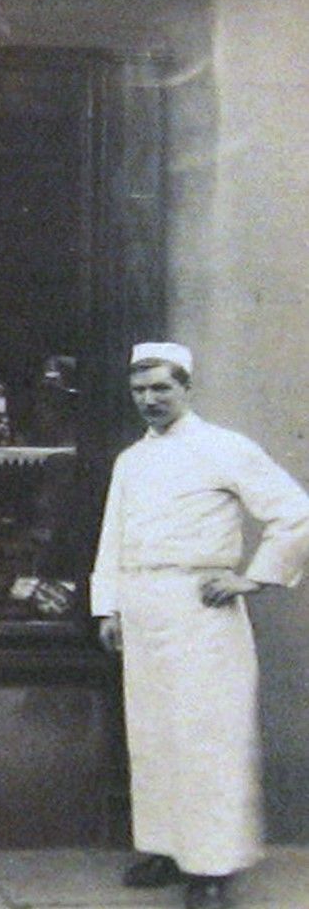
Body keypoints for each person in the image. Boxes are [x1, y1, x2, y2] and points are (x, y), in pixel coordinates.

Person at [91, 341, 309, 909]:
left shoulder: (225, 448)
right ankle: (166, 847)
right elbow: (113, 537)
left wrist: (252, 578)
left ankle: (211, 865)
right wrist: (108, 607)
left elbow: (295, 514)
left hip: (201, 612)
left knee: (207, 737)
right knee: (154, 734)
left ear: (186, 388)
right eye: (139, 390)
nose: (150, 400)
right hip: (144, 610)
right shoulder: (130, 461)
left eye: (161, 388)